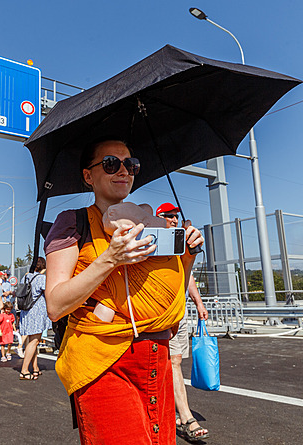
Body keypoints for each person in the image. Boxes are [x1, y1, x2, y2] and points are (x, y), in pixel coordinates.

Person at [44, 139, 204, 444]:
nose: (123, 171)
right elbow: (55, 304)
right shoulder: (73, 223)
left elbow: (170, 304)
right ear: (88, 175)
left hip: (158, 358)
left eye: (130, 164)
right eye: (110, 164)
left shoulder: (152, 227)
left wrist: (188, 257)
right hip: (103, 362)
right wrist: (110, 259)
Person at [156, 202, 210, 441]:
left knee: (175, 360)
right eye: (168, 216)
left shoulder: (182, 244)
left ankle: (181, 415)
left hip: (179, 310)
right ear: (158, 218)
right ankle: (184, 416)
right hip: (157, 313)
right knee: (161, 363)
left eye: (176, 216)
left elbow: (187, 279)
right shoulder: (153, 242)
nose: (174, 220)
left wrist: (198, 303)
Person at [18, 257, 52, 380]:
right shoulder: (42, 279)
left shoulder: (26, 277)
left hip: (26, 312)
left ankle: (35, 367)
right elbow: (49, 293)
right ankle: (24, 370)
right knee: (34, 341)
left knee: (32, 341)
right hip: (36, 313)